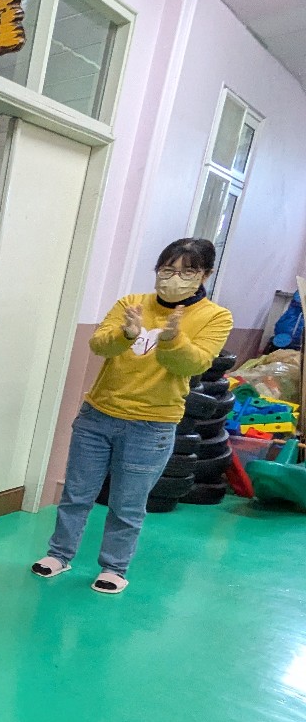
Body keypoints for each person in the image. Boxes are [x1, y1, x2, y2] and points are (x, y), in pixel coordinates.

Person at [32, 237, 233, 593]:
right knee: (77, 494)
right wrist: (126, 334)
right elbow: (99, 344)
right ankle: (59, 555)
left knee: (127, 504)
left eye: (187, 271)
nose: (174, 278)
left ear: (206, 274)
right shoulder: (131, 303)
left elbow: (194, 364)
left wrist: (173, 339)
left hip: (152, 425)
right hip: (98, 416)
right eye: (167, 269)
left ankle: (114, 568)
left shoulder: (215, 316)